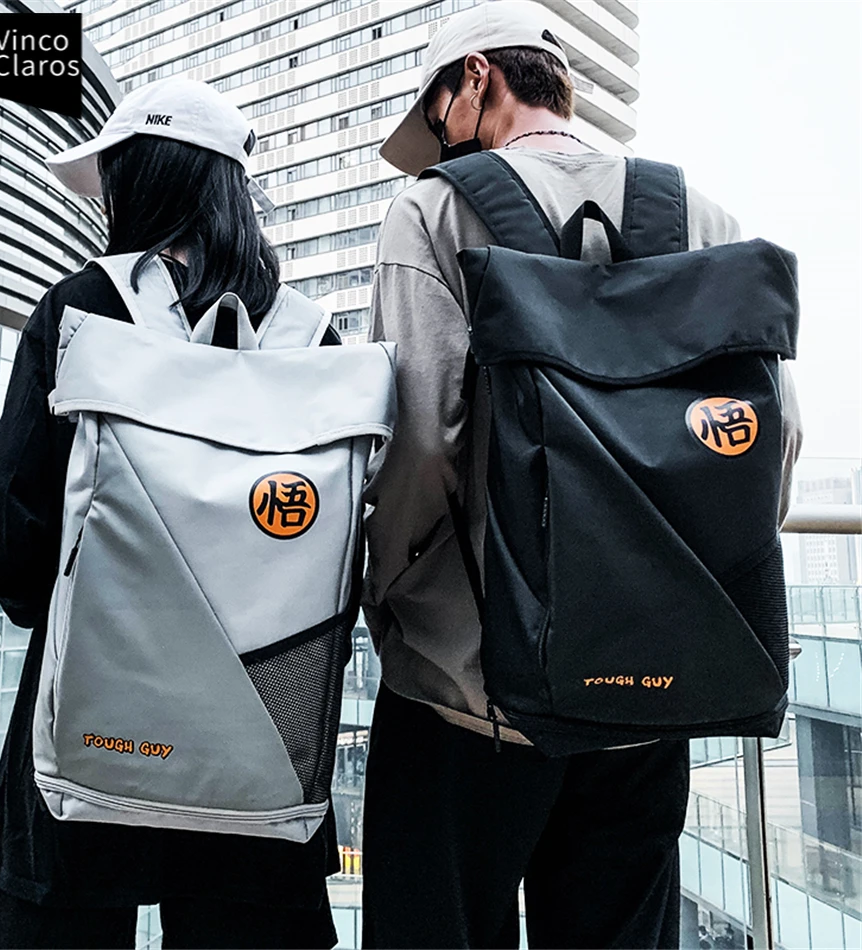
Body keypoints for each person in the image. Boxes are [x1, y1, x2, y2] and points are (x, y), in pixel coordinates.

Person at [361, 2, 802, 948]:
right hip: (651, 693)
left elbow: (422, 444)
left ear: (475, 77)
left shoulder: (433, 210)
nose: (442, 140)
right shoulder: (699, 214)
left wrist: (391, 599)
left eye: (438, 116)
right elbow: (774, 444)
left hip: (468, 691)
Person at [0, 78, 340, 950]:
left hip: (94, 714)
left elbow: (10, 527)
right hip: (262, 724)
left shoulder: (83, 310)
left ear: (140, 182)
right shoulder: (308, 334)